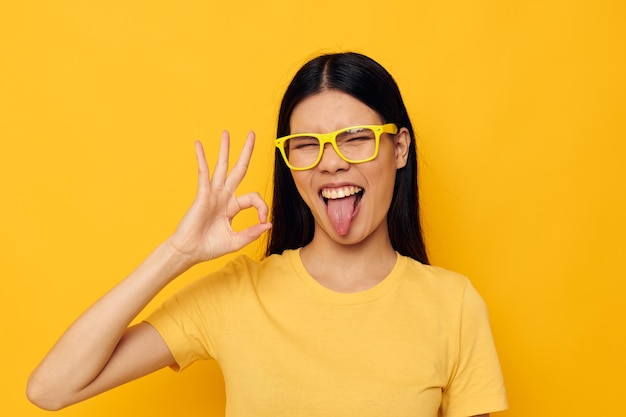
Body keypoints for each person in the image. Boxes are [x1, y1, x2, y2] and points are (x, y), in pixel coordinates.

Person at [27, 52, 508, 417]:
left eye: (356, 139)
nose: (331, 162)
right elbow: (52, 388)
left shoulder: (453, 306)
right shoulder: (236, 295)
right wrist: (178, 252)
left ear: (399, 148)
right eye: (306, 146)